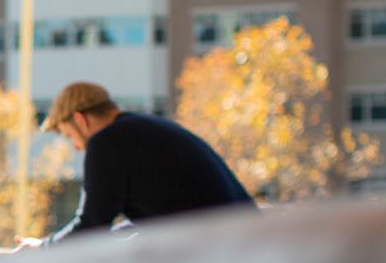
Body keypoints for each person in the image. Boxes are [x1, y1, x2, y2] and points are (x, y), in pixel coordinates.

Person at [35, 81, 253, 244]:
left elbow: (92, 226)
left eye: (69, 135)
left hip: (223, 250)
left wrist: (43, 248)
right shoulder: (145, 128)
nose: (75, 147)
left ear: (81, 120)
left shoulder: (107, 142)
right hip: (249, 239)